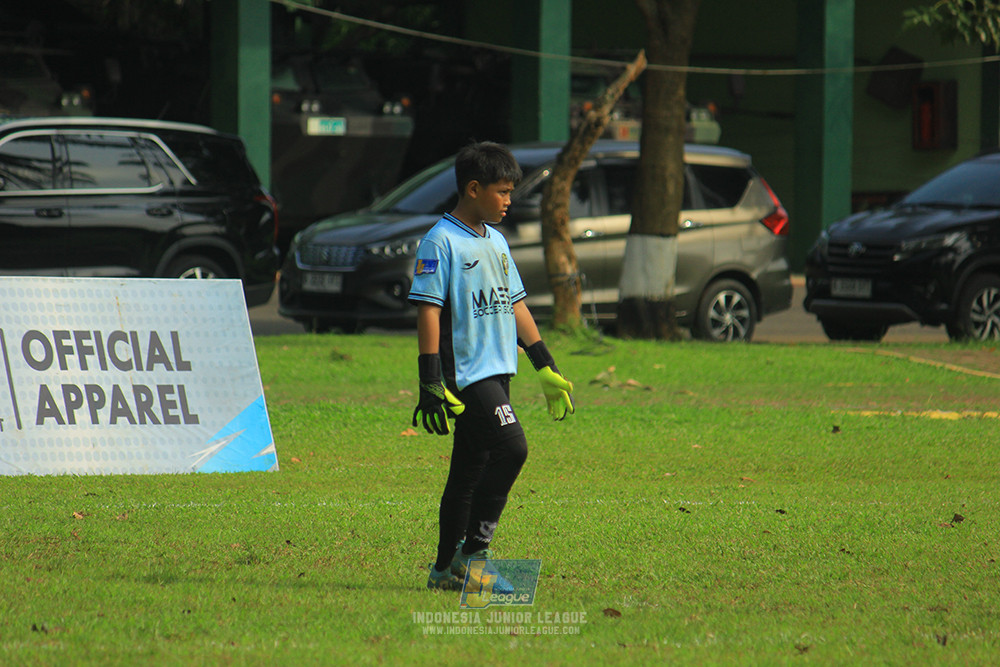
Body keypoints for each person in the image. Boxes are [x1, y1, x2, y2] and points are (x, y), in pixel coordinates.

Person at [408, 141, 575, 591]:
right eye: (502, 192)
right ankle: (474, 553)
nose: (508, 201)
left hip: (499, 370)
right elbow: (428, 310)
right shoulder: (440, 241)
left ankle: (443, 570)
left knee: (468, 471)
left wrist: (544, 364)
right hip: (467, 374)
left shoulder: (497, 241)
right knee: (513, 447)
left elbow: (515, 303)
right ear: (474, 188)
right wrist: (430, 379)